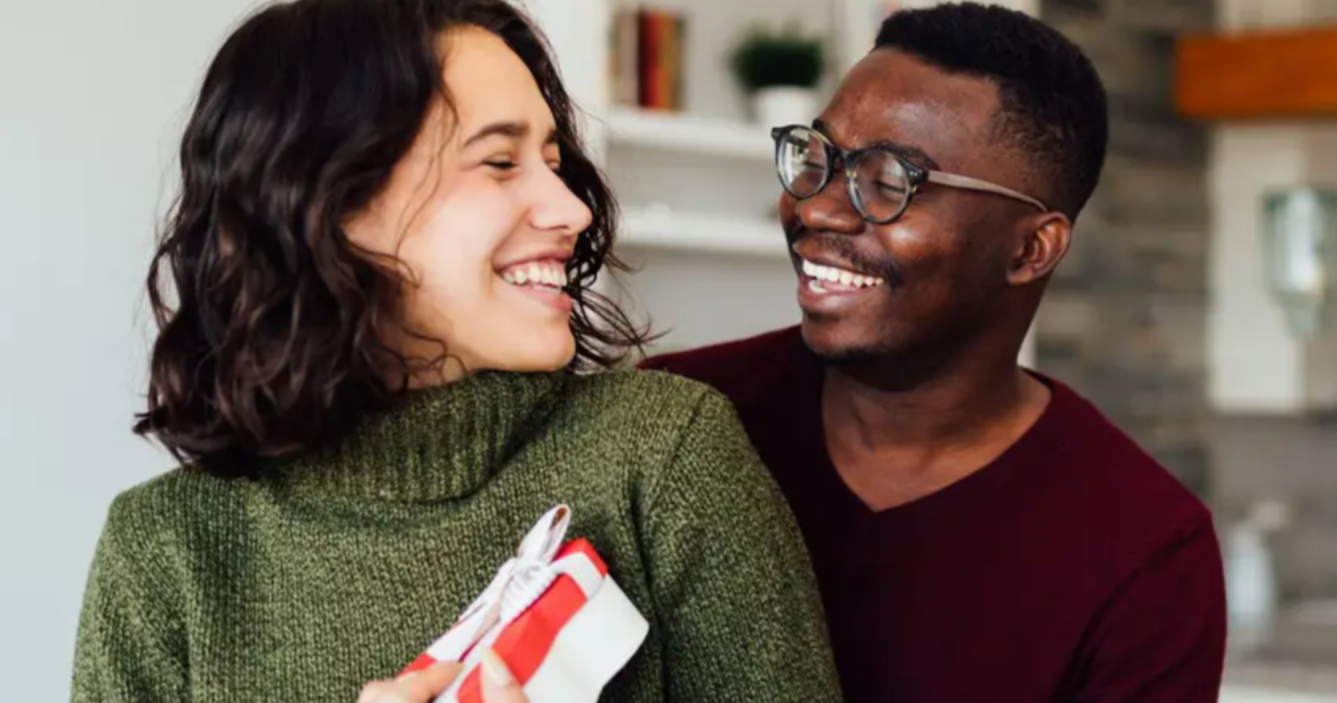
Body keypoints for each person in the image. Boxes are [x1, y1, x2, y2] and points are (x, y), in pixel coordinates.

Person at [69, 1, 844, 702]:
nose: (572, 209)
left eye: (553, 161)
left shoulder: (663, 457)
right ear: (327, 204)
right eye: (499, 162)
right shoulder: (165, 552)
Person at [641, 4, 1226, 702]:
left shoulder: (1146, 555)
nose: (816, 209)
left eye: (890, 181)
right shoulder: (670, 423)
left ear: (1029, 248)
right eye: (817, 158)